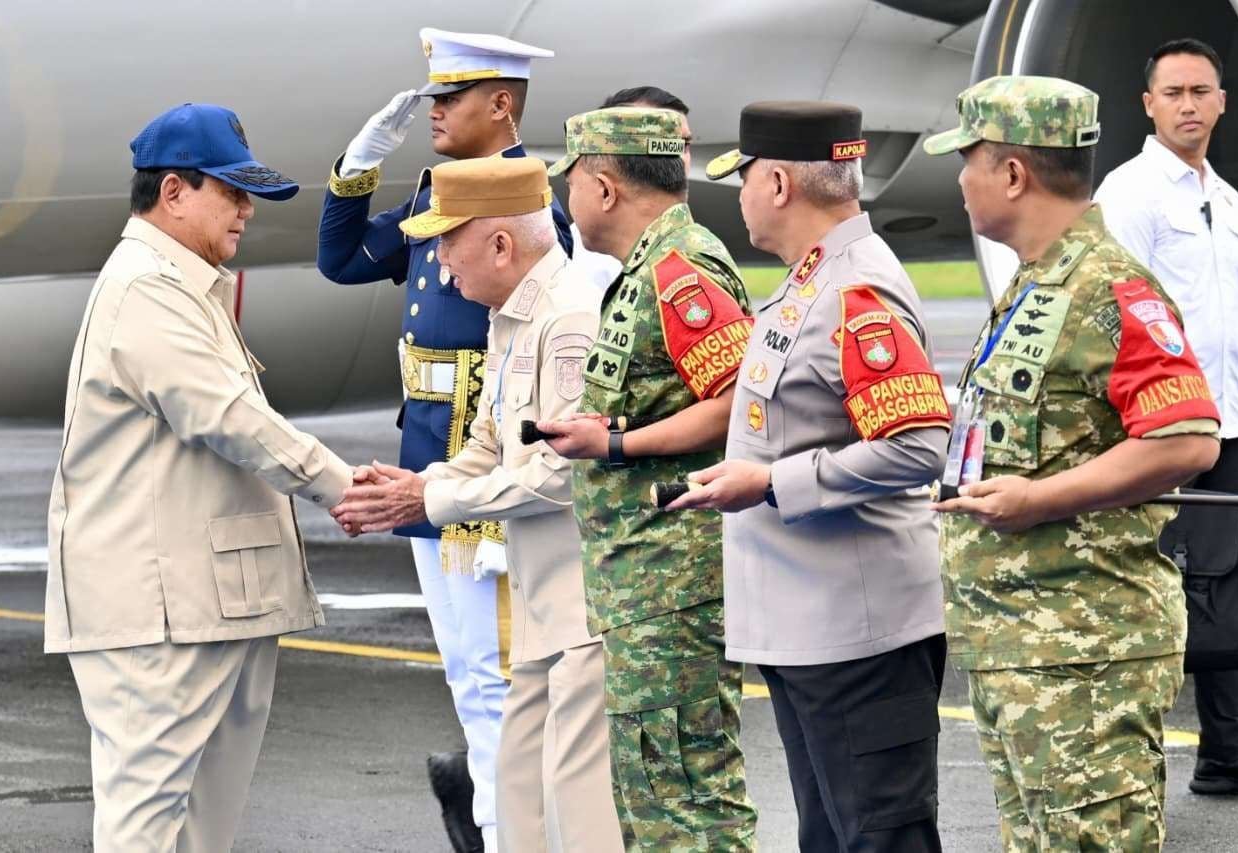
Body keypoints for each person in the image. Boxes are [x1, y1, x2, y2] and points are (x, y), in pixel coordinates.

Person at [44, 103, 354, 851]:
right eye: (232, 190)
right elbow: (227, 416)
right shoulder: (148, 288)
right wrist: (350, 489)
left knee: (198, 832)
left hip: (206, 604)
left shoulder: (184, 283)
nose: (247, 208)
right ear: (174, 191)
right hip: (159, 614)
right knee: (145, 830)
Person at [927, 76, 1222, 850]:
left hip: (1084, 652)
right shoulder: (1038, 282)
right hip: (1020, 645)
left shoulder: (1108, 286)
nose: (960, 180)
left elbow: (1188, 438)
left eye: (970, 160)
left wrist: (1041, 498)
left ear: (1014, 173)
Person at [315, 27, 572, 851]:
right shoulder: (439, 194)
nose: (433, 112)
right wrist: (358, 164)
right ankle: (501, 825)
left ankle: (509, 830)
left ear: (502, 105)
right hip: (432, 469)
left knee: (500, 677)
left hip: (488, 477)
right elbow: (344, 260)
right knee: (469, 675)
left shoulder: (525, 207)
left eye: (449, 98)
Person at [671, 100, 950, 852]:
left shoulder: (856, 288)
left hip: (858, 636)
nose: (741, 194)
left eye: (746, 178)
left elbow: (919, 445)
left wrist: (768, 484)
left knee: (881, 838)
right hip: (809, 628)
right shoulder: (811, 278)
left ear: (780, 183)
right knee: (830, 837)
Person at [328, 156, 624, 853]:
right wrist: (415, 488)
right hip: (537, 599)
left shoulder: (569, 317)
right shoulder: (511, 315)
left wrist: (430, 497)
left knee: (579, 808)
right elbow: (492, 441)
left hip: (581, 606)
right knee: (516, 788)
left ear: (500, 243)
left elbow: (557, 472)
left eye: (447, 244)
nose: (440, 265)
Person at [538, 106, 759, 850]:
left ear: (603, 188)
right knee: (652, 793)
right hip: (644, 580)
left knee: (688, 794)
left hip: (673, 579)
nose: (565, 198)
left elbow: (738, 400)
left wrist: (619, 443)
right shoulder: (650, 268)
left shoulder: (680, 272)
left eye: (569, 181)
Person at [1095, 37, 1238, 796]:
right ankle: (1134, 766)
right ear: (1148, 104)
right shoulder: (1130, 195)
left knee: (1230, 595)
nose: (1189, 104)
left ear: (1222, 101)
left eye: (1202, 91)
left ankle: (1229, 755)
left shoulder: (1228, 200)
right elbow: (1116, 314)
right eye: (1174, 92)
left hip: (1234, 422)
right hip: (1169, 428)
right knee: (1177, 593)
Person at [569, 86, 694, 294]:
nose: (675, 158)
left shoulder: (689, 245)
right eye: (655, 143)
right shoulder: (587, 252)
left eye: (684, 144)